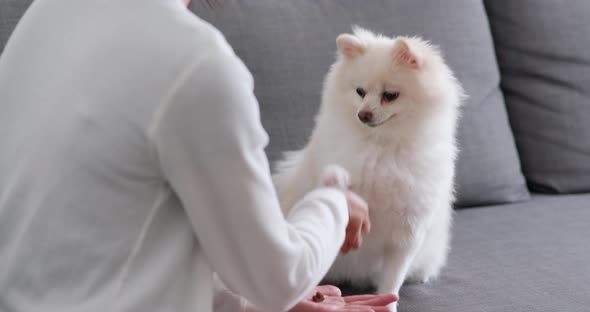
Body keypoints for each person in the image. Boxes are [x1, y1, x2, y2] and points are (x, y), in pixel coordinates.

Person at [0, 0, 397, 311]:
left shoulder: (47, 13)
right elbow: (278, 279)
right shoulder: (195, 65)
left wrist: (242, 304)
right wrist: (333, 205)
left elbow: (110, 233)